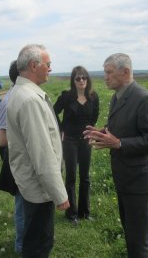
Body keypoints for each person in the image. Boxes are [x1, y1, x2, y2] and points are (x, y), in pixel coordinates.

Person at [83, 53, 148, 258]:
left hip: (140, 182)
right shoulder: (117, 97)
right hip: (126, 178)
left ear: (125, 72)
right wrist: (102, 132)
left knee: (139, 241)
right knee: (131, 234)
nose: (105, 77)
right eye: (105, 73)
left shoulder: (144, 98)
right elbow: (120, 128)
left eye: (109, 72)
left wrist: (118, 143)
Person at [6, 44, 70, 258]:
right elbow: (42, 154)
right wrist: (59, 194)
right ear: (34, 66)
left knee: (33, 239)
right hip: (39, 187)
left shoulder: (20, 92)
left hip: (30, 182)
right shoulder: (30, 100)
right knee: (39, 244)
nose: (50, 68)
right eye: (48, 64)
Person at [53, 66, 99, 226]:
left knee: (85, 177)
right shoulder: (67, 97)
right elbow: (53, 112)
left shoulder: (93, 97)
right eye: (78, 78)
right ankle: (71, 213)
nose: (81, 81)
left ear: (88, 79)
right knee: (71, 177)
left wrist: (89, 130)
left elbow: (94, 116)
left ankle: (85, 212)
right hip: (70, 140)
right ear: (73, 80)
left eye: (84, 77)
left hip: (85, 140)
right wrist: (61, 130)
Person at [0, 60, 24, 254]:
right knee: (22, 202)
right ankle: (22, 246)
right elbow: (2, 139)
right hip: (18, 157)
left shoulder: (19, 96)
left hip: (21, 156)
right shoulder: (9, 100)